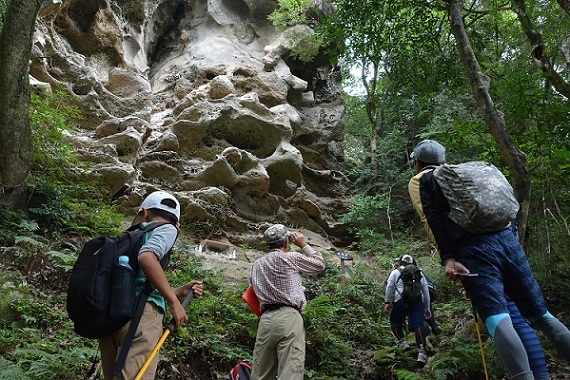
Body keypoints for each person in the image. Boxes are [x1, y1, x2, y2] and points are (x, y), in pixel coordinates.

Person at [408, 139, 570, 380]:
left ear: (418, 162)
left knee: (497, 318)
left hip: (474, 251)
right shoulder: (469, 175)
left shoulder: (422, 179)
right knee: (542, 315)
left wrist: (448, 258)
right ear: (444, 160)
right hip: (508, 242)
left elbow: (430, 218)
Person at [98, 191, 205, 380]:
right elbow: (147, 258)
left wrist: (179, 291)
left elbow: (137, 285)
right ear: (177, 223)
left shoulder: (130, 237)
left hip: (112, 316)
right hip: (141, 319)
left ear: (144, 213)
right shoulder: (168, 228)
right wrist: (174, 302)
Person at [249, 224, 325, 380]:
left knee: (260, 374)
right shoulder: (291, 257)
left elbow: (253, 292)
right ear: (286, 243)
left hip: (265, 320)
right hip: (289, 317)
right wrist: (303, 245)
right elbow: (319, 264)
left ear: (268, 244)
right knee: (290, 372)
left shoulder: (256, 265)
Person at [384, 254, 432, 366]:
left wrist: (387, 302)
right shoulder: (418, 272)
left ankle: (403, 343)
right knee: (418, 325)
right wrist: (427, 308)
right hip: (417, 301)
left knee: (395, 323)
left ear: (400, 263)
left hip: (401, 300)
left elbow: (389, 287)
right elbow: (425, 291)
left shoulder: (396, 272)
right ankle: (421, 353)